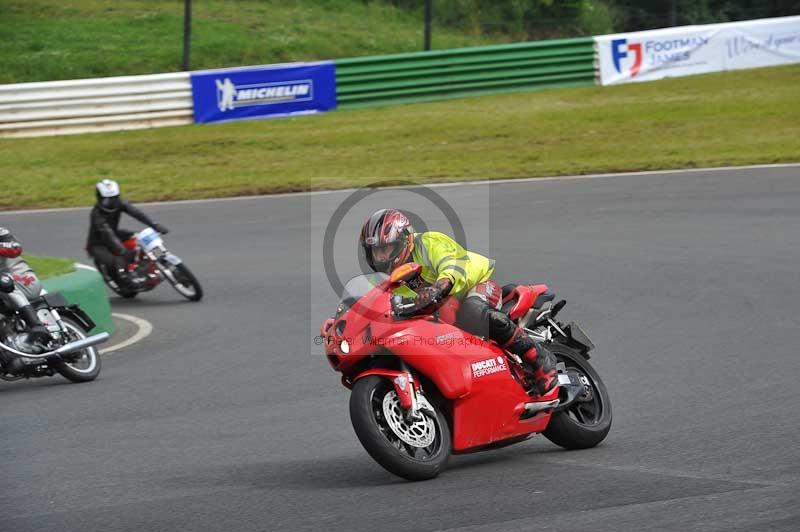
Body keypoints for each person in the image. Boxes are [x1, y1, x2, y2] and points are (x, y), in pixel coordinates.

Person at [359, 208, 557, 396]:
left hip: (473, 286)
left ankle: (540, 360)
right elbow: (374, 304)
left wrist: (439, 286)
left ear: (404, 240)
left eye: (386, 249)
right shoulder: (383, 279)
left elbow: (451, 264)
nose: (382, 257)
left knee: (472, 310)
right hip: (441, 311)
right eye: (376, 252)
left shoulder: (429, 243)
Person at [86, 179, 168, 290]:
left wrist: (155, 225)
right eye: (107, 200)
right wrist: (121, 250)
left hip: (115, 234)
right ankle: (126, 282)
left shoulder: (120, 203)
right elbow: (106, 232)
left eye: (114, 198)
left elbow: (137, 213)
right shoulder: (97, 214)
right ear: (99, 198)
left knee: (140, 238)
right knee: (117, 261)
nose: (111, 203)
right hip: (98, 243)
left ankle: (151, 263)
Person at [0, 227, 52, 368]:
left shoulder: (1, 232)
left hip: (19, 278)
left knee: (2, 282)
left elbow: (15, 248)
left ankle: (37, 326)